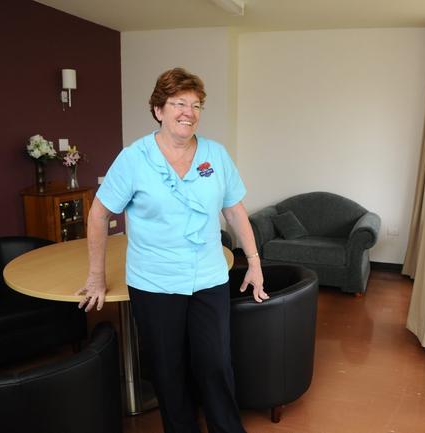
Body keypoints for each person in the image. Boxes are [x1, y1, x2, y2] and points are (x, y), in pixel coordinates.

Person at [77, 67, 267, 433]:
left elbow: (234, 209)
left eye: (196, 105)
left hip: (208, 277)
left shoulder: (216, 153)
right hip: (154, 283)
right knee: (168, 370)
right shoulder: (133, 159)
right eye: (179, 103)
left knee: (215, 365)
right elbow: (98, 214)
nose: (188, 113)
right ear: (158, 110)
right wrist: (96, 276)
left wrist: (254, 262)